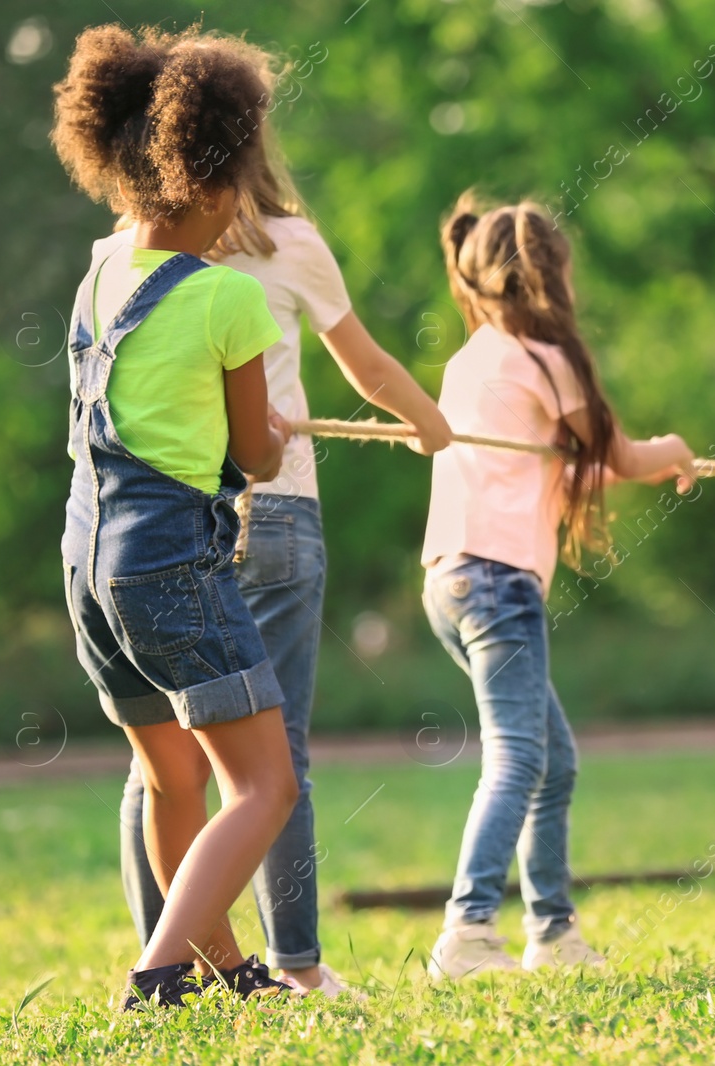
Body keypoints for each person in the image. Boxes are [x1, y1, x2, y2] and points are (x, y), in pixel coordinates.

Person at [99, 147, 453, 994]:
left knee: (163, 766)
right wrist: (427, 421)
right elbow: (364, 367)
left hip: (144, 528)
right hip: (273, 511)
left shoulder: (116, 256)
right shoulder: (290, 243)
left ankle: (175, 955)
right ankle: (292, 964)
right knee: (272, 757)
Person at [53, 24, 301, 1008]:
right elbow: (253, 455)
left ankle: (225, 972)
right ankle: (158, 973)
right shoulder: (230, 300)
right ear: (207, 186)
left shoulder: (99, 273)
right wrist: (272, 431)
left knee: (173, 779)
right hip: (167, 569)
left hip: (85, 564)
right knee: (264, 786)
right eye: (239, 179)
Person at [420, 193, 696, 979]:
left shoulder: (472, 359)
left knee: (555, 759)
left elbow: (572, 456)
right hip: (497, 579)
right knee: (515, 760)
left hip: (449, 580)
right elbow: (623, 455)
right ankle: (468, 929)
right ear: (555, 276)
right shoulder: (545, 359)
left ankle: (553, 931)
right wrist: (674, 449)